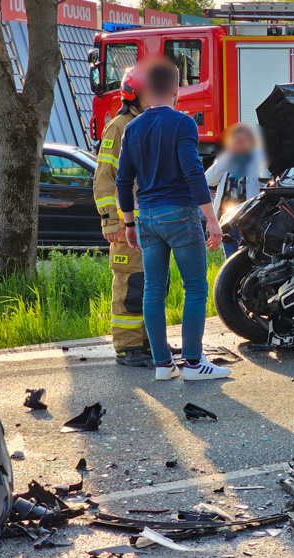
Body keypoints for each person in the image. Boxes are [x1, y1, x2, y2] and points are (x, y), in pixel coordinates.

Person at [116, 56, 230, 381]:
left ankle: (163, 365)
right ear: (176, 90)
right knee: (194, 287)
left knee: (154, 290)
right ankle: (193, 363)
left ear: (147, 89)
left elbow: (123, 180)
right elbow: (193, 172)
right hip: (179, 214)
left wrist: (128, 223)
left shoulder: (132, 128)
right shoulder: (183, 123)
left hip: (146, 217)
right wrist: (211, 218)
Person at [92, 67, 151, 367]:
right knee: (130, 285)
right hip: (127, 225)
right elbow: (104, 178)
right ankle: (128, 347)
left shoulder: (146, 124)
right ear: (133, 95)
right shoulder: (120, 127)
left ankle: (147, 341)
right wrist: (111, 220)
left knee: (150, 283)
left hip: (148, 224)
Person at [205, 122, 266, 258]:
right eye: (236, 140)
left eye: (243, 140)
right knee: (230, 257)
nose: (239, 144)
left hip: (248, 217)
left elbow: (264, 178)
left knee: (247, 255)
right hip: (228, 217)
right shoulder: (225, 159)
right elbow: (208, 180)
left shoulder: (257, 159)